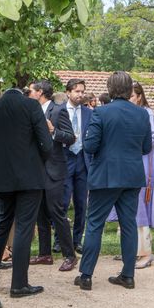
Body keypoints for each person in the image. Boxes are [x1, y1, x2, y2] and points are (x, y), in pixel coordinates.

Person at [0, 88, 52, 298]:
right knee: (24, 227)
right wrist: (39, 162)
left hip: (1, 177)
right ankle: (19, 284)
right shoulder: (32, 106)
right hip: (30, 177)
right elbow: (46, 143)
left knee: (1, 225)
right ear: (22, 94)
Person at [74, 71, 152, 291]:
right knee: (128, 225)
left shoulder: (101, 112)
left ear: (110, 89)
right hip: (131, 176)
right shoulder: (142, 114)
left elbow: (90, 146)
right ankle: (128, 275)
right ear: (129, 90)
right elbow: (146, 147)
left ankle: (86, 275)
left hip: (105, 176)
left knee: (95, 225)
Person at [27, 80, 78, 272]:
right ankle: (45, 254)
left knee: (57, 213)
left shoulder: (58, 111)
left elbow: (70, 137)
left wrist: (53, 131)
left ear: (40, 92)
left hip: (54, 169)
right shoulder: (33, 111)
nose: (28, 94)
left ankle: (70, 255)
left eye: (30, 91)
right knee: (40, 213)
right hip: (36, 170)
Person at [58, 79, 92, 254]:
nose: (80, 94)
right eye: (77, 91)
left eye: (82, 91)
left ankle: (77, 240)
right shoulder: (58, 111)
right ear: (68, 92)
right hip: (64, 159)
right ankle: (60, 240)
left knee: (81, 204)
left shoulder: (89, 113)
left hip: (82, 161)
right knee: (62, 202)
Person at [131, 82, 154, 268]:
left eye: (132, 96)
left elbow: (152, 140)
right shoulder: (134, 113)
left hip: (144, 164)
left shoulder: (148, 114)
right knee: (131, 207)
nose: (130, 99)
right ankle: (133, 248)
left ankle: (145, 252)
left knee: (140, 206)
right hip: (133, 163)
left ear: (140, 96)